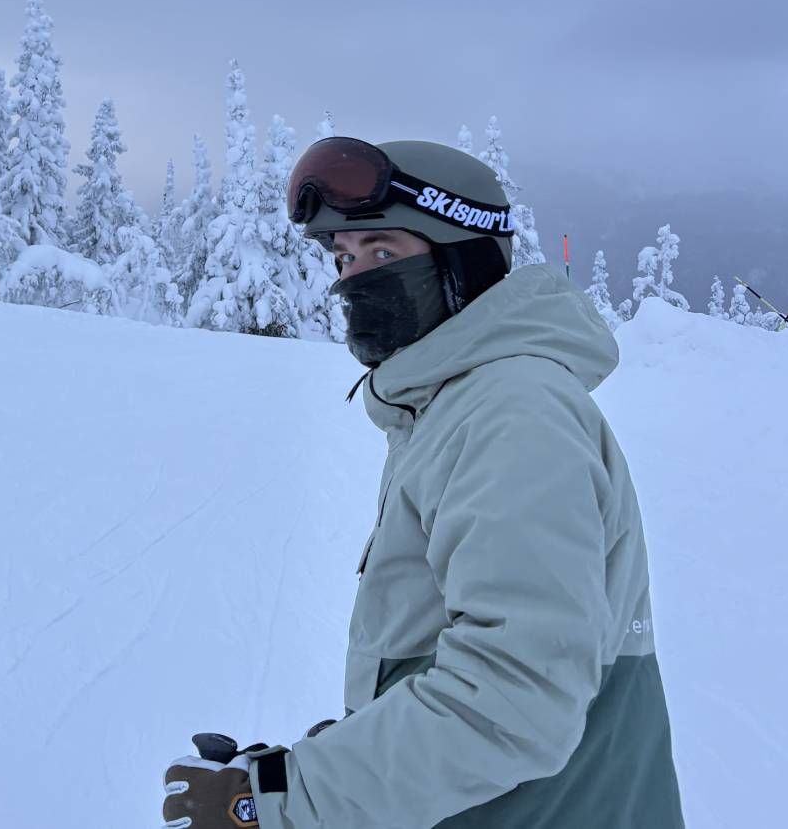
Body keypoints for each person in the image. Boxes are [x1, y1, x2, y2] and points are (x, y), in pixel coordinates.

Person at [163, 138, 684, 829]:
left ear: (462, 262)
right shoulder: (457, 405)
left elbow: (516, 699)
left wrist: (278, 796)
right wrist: (354, 750)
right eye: (343, 258)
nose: (353, 279)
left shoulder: (511, 414)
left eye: (382, 252)